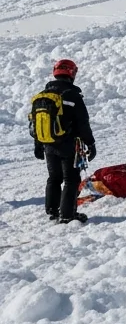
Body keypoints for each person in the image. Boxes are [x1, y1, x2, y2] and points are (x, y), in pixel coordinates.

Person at [30, 59, 96, 224]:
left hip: (48, 144)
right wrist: (91, 144)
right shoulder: (72, 95)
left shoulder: (41, 96)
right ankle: (67, 215)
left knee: (54, 178)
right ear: (72, 73)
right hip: (68, 144)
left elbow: (36, 124)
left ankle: (52, 210)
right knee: (71, 179)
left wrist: (38, 145)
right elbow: (83, 122)